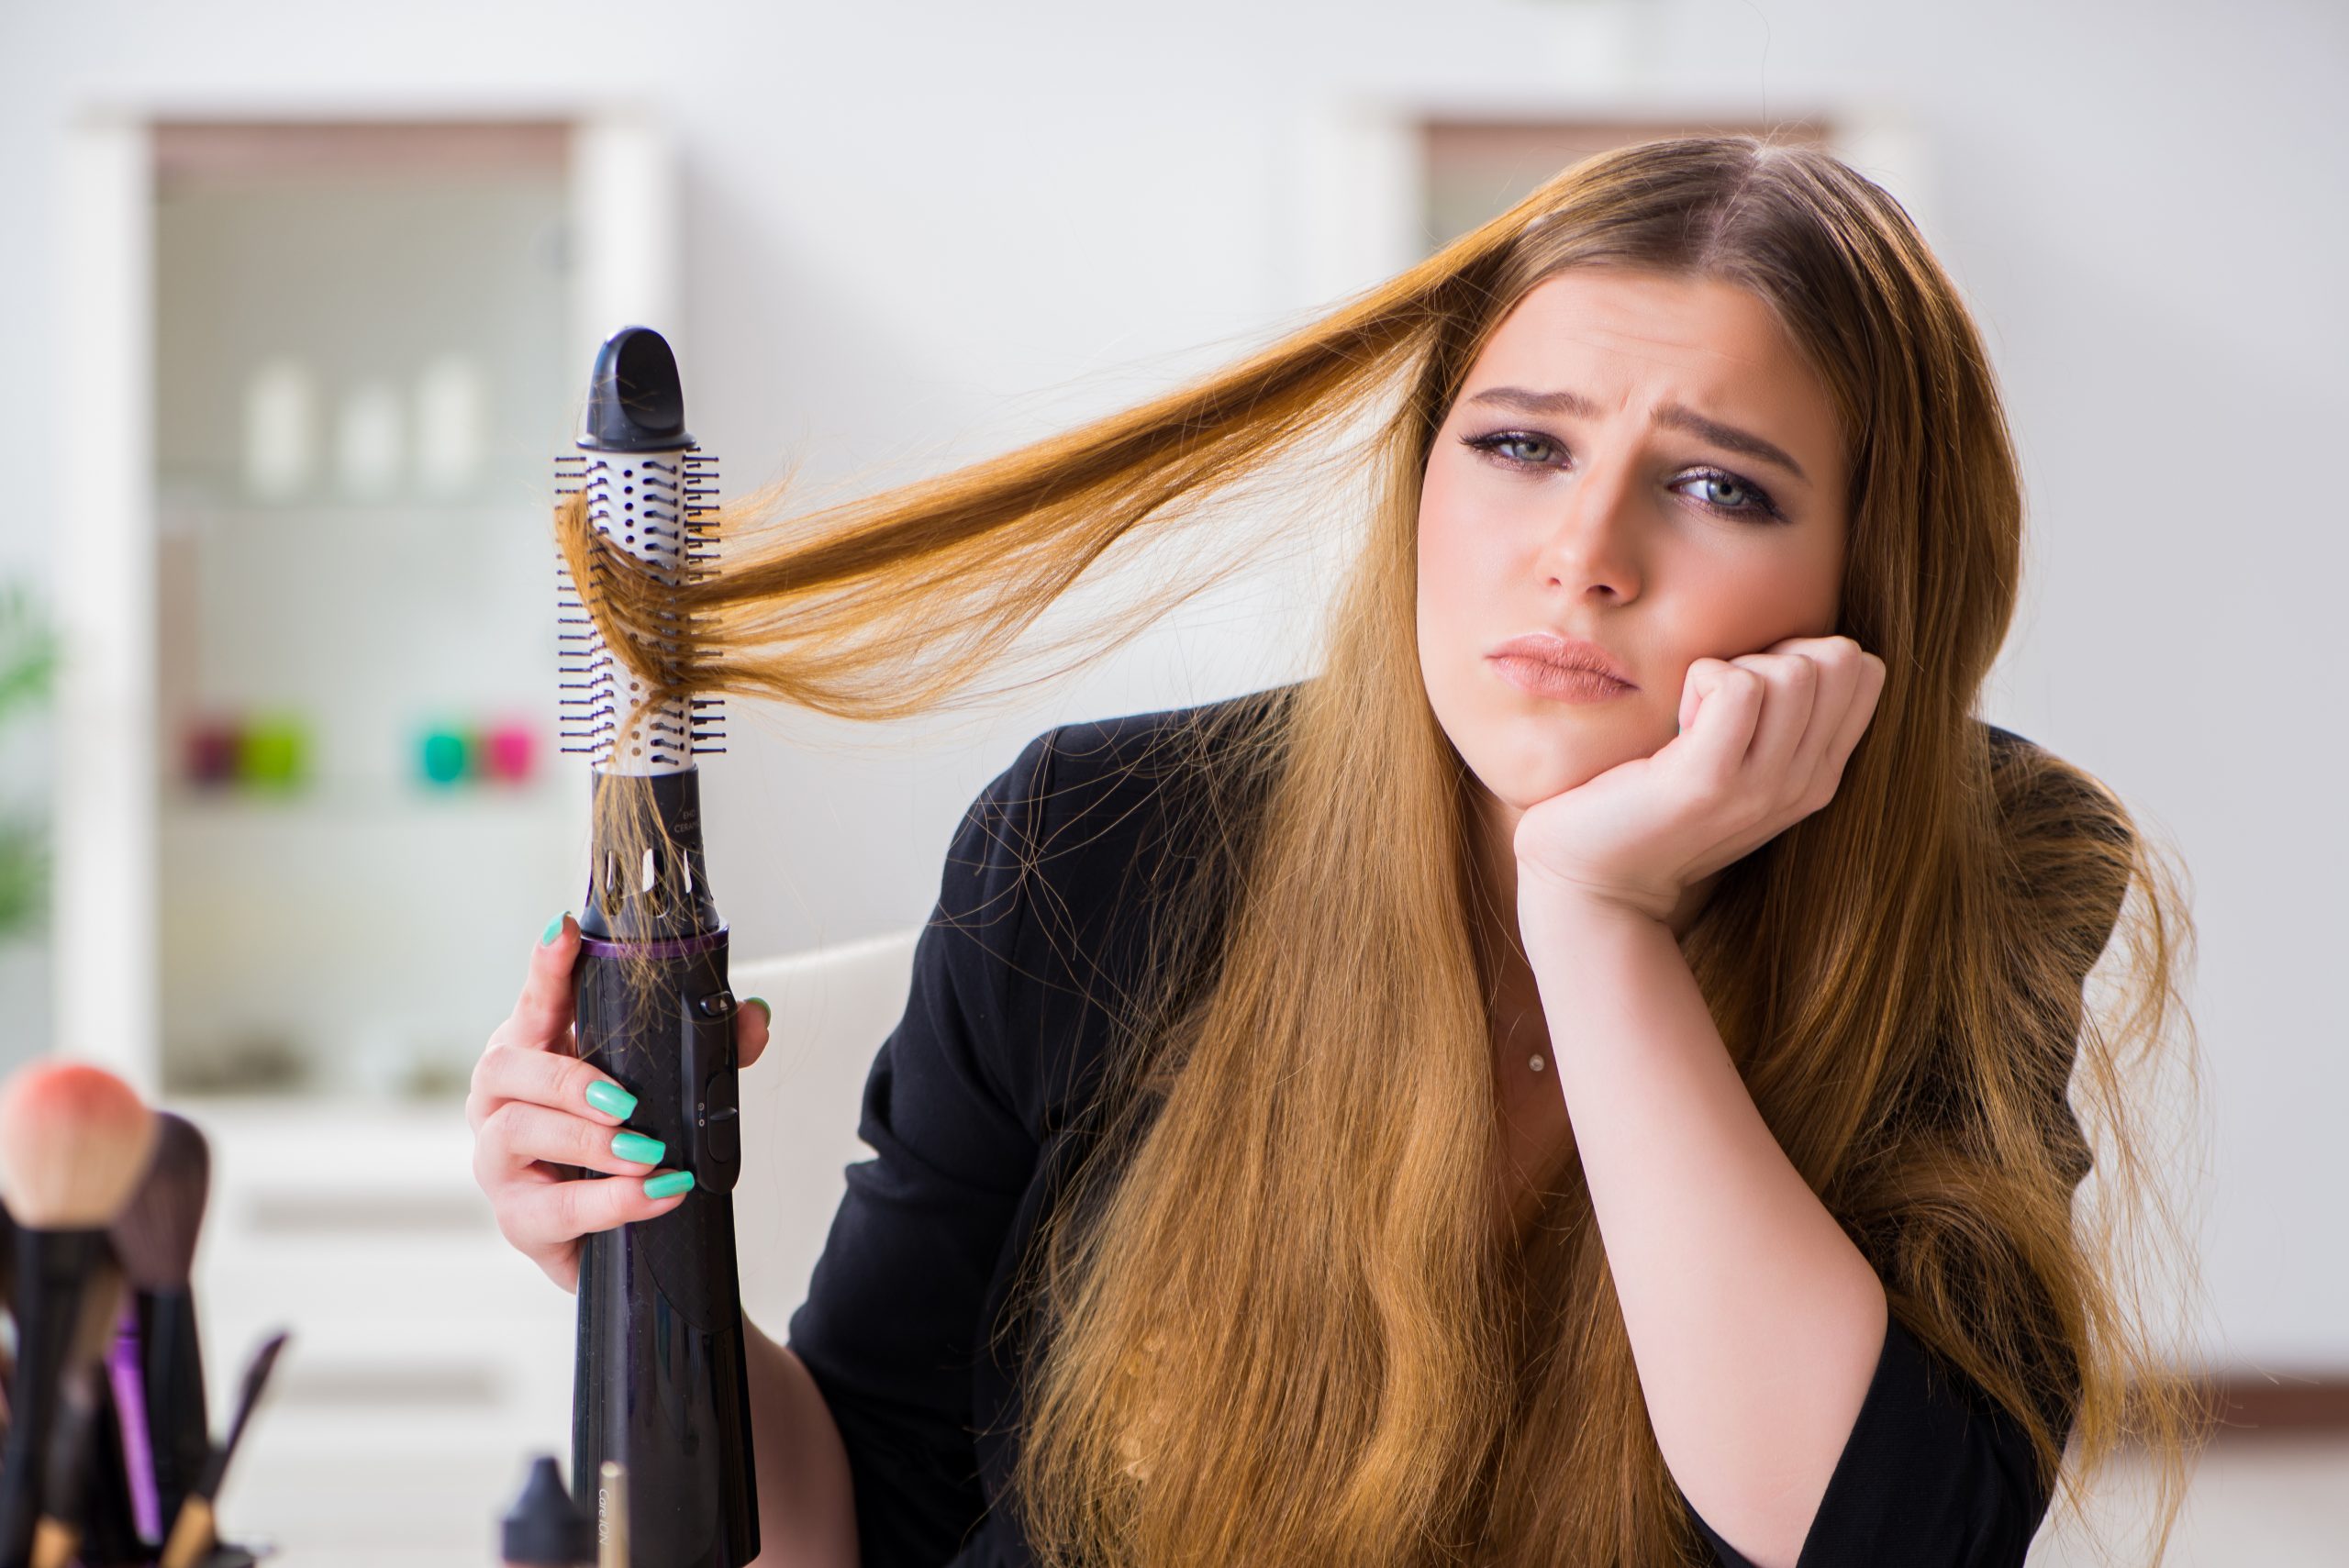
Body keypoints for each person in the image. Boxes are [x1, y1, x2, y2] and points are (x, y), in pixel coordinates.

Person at [468, 135, 2204, 1567]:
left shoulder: (1983, 874)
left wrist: (1599, 922)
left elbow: (1885, 1540)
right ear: (1423, 480)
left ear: (1871, 583)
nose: (1582, 553)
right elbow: (873, 1502)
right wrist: (643, 1267)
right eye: (1520, 445)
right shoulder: (1097, 844)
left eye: (1721, 487)